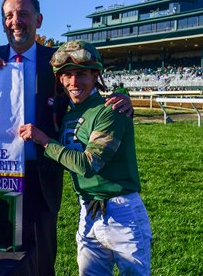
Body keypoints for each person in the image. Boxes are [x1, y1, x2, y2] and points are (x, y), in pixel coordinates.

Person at [0, 0, 133, 276]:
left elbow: (88, 89)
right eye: (9, 15)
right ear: (2, 22)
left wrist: (124, 96)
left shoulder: (57, 62)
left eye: (23, 14)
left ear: (39, 20)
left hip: (42, 172)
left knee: (42, 257)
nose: (16, 21)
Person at [20, 40, 152, 275]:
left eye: (81, 74)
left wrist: (43, 140)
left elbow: (89, 164)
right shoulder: (70, 114)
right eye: (67, 75)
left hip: (122, 211)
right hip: (88, 211)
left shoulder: (111, 110)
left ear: (95, 75)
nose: (73, 82)